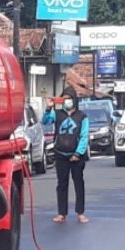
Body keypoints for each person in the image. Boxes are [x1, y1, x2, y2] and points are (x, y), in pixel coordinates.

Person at [43, 86, 90, 223]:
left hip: (76, 156)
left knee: (78, 183)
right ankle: (61, 213)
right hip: (60, 154)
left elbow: (84, 136)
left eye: (69, 99)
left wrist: (78, 153)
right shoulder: (57, 114)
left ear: (74, 100)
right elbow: (46, 121)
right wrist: (48, 108)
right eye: (64, 98)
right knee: (62, 184)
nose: (67, 101)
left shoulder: (82, 117)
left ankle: (80, 212)